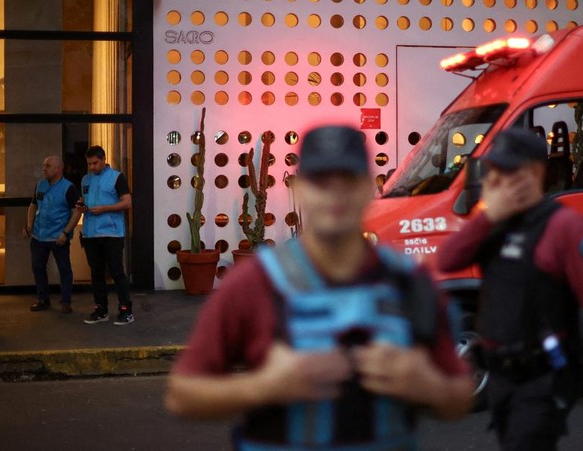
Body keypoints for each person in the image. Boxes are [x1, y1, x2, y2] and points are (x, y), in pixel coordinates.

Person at [165, 125, 473, 450]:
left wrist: (422, 383)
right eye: (320, 181)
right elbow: (182, 395)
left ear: (371, 186)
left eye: (348, 179)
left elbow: (458, 397)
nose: (334, 192)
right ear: (299, 189)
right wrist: (265, 386)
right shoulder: (253, 283)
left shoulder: (410, 283)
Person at [437, 128, 583, 450]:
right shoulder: (495, 221)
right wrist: (486, 218)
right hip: (500, 375)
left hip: (544, 375)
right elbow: (447, 259)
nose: (501, 179)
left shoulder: (564, 228)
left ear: (537, 173)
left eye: (511, 171)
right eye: (496, 170)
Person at [77, 145, 134, 325]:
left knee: (117, 272)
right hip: (90, 233)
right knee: (96, 273)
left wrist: (104, 209)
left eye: (95, 163)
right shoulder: (85, 180)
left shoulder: (117, 177)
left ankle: (126, 310)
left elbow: (127, 203)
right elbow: (85, 200)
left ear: (103, 159)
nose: (92, 167)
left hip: (111, 232)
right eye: (89, 164)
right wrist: (81, 204)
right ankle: (101, 309)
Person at [22, 156, 81, 314]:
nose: (44, 169)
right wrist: (29, 226)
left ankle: (66, 302)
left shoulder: (69, 188)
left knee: (64, 269)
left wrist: (65, 233)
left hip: (58, 237)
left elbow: (76, 212)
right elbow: (33, 205)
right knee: (38, 267)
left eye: (48, 166)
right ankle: (43, 300)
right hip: (39, 235)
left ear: (58, 169)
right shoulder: (40, 185)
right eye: (43, 165)